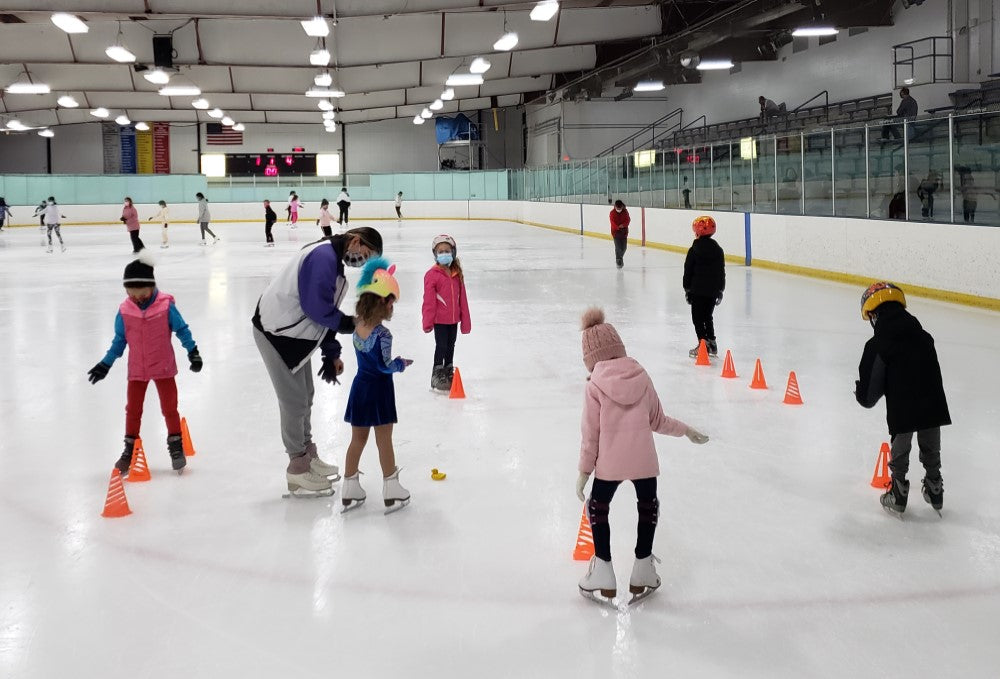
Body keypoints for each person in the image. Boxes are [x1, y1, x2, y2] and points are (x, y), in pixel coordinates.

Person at [575, 308, 709, 605]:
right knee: (648, 507)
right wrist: (686, 430)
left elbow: (590, 438)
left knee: (597, 508)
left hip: (609, 465)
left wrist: (584, 473)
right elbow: (658, 420)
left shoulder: (594, 385)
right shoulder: (641, 374)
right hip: (644, 462)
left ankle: (604, 572)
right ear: (619, 347)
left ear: (591, 356)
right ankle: (643, 569)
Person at [252, 227, 383, 497]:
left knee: (305, 395)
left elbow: (322, 315)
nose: (362, 261)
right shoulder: (323, 257)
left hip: (294, 334)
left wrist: (331, 353)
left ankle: (307, 454)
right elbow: (317, 309)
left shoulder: (332, 261)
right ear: (356, 241)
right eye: (365, 254)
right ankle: (297, 467)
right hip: (276, 332)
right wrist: (351, 324)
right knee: (293, 400)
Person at [86, 252, 203, 475]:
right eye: (132, 293)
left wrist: (193, 352)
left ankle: (175, 445)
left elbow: (182, 330)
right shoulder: (124, 311)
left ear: (151, 287)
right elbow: (119, 342)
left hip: (164, 367)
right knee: (132, 410)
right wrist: (105, 364)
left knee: (169, 408)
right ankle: (129, 450)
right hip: (137, 370)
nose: (137, 298)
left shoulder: (165, 306)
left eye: (141, 293)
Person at [855, 282, 951, 517]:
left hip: (902, 407)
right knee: (929, 428)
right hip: (933, 402)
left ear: (874, 315)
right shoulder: (924, 336)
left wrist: (861, 391)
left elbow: (868, 396)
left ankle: (898, 491)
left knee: (902, 436)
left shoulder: (877, 344)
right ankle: (935, 485)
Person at [340, 257, 413, 513]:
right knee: (384, 439)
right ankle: (391, 489)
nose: (393, 305)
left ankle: (349, 488)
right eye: (391, 300)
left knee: (357, 439)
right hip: (380, 390)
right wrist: (401, 364)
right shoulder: (383, 334)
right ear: (383, 301)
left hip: (360, 387)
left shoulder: (357, 326)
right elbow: (384, 365)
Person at [421, 235, 471, 391]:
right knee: (441, 345)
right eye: (440, 251)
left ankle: (448, 369)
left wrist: (465, 321)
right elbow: (428, 301)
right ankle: (437, 372)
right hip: (440, 320)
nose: (444, 253)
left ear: (453, 252)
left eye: (447, 251)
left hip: (453, 319)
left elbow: (462, 299)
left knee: (451, 345)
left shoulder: (456, 274)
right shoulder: (432, 274)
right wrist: (427, 321)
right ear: (435, 254)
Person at [683, 215, 725, 358]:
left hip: (697, 290)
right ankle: (712, 343)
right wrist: (720, 289)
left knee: (697, 318)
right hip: (713, 290)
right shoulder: (718, 250)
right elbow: (721, 271)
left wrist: (687, 288)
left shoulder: (693, 250)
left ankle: (703, 344)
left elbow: (688, 270)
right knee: (708, 316)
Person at [609, 200, 630, 268]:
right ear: (615, 206)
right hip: (616, 232)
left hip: (624, 232)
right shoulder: (612, 213)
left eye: (620, 209)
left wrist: (623, 225)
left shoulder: (625, 212)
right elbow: (612, 223)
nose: (619, 210)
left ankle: (619, 258)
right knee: (618, 248)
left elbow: (628, 220)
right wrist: (618, 227)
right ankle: (618, 260)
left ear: (622, 207)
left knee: (624, 248)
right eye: (617, 209)